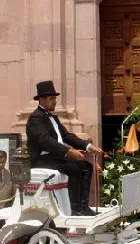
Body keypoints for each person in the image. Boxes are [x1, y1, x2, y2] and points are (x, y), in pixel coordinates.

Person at [26, 80, 103, 216]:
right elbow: (45, 141)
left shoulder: (53, 118)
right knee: (74, 169)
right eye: (51, 98)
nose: (55, 101)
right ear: (41, 100)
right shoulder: (35, 118)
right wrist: (68, 151)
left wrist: (88, 146)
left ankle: (83, 207)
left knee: (86, 167)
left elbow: (67, 136)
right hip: (41, 158)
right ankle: (74, 209)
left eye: (55, 98)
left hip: (55, 156)